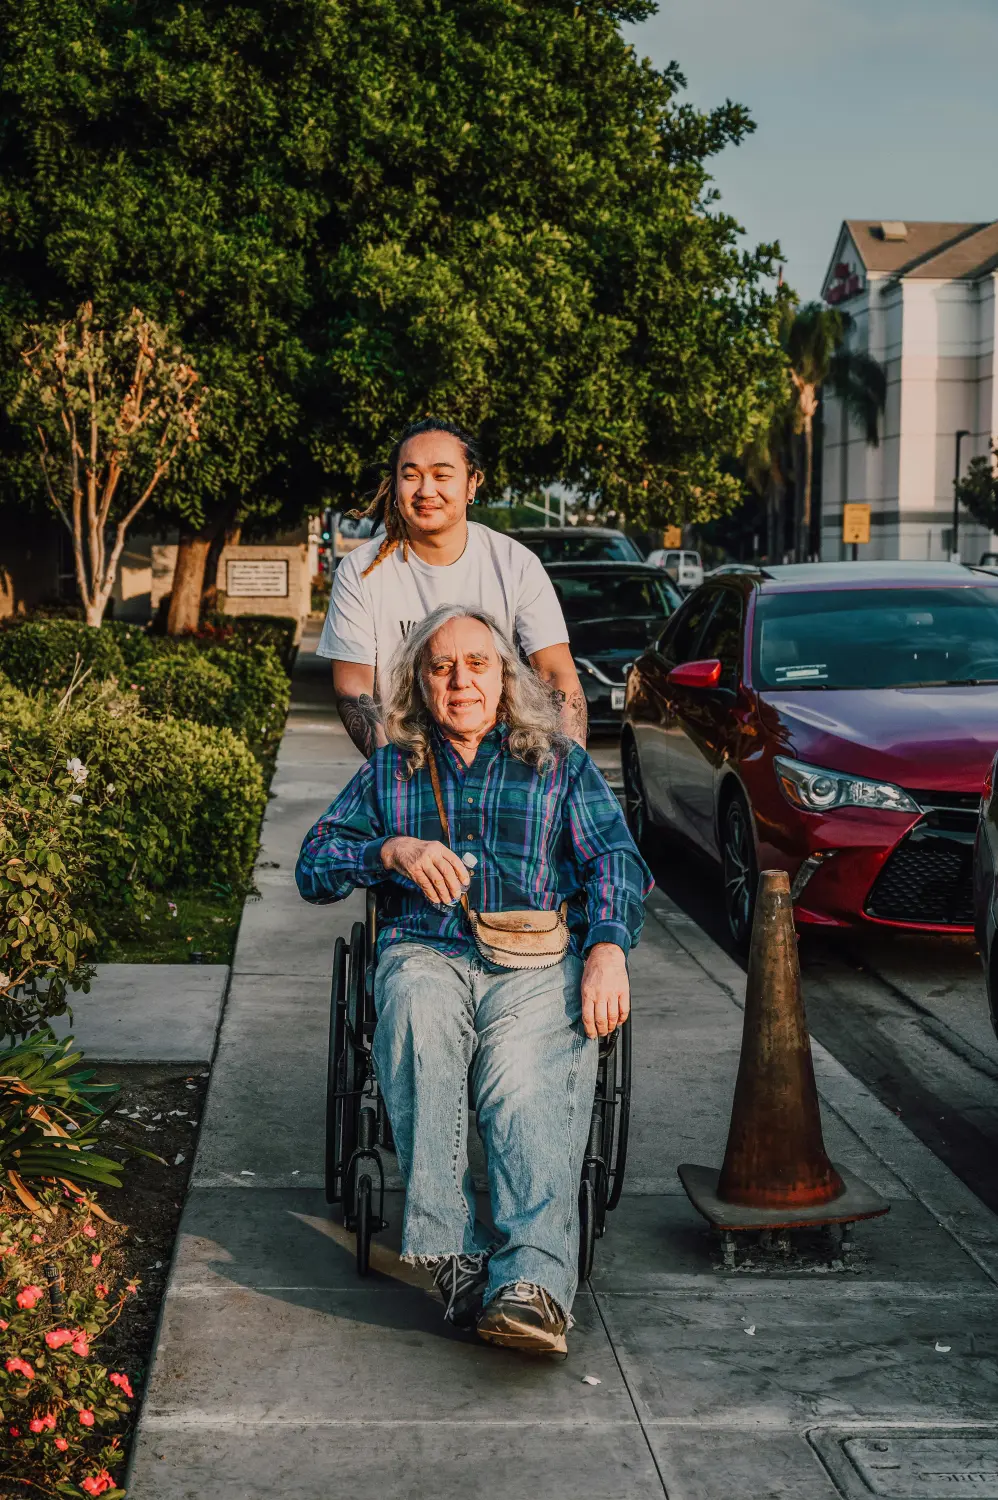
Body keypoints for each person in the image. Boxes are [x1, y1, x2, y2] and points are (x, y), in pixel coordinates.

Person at [297, 605, 651, 1356]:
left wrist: (609, 947)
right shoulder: (390, 770)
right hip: (424, 952)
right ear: (420, 684)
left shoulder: (557, 763)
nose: (461, 681)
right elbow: (314, 864)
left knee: (524, 1078)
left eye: (478, 664)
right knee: (419, 1022)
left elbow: (615, 860)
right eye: (441, 667)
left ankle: (532, 1283)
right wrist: (389, 849)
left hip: (532, 959)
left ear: (505, 677)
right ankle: (455, 1254)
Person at [317, 417, 588, 755]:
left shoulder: (515, 565)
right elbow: (353, 687)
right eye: (411, 475)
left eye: (442, 475)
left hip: (507, 766)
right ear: (394, 484)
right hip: (406, 761)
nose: (426, 490)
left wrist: (572, 771)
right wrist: (394, 774)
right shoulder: (361, 572)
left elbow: (555, 673)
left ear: (472, 483)